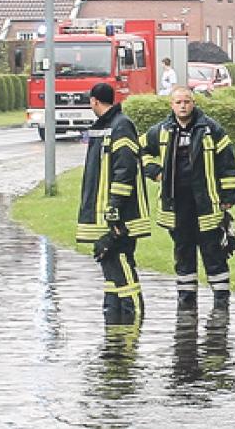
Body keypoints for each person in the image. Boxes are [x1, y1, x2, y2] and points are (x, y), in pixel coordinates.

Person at [140, 86, 235, 309]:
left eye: (187, 101)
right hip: (177, 204)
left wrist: (229, 196)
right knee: (183, 250)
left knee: (213, 250)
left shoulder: (211, 129)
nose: (183, 105)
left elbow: (227, 163)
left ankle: (221, 299)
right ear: (171, 105)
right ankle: (186, 300)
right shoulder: (162, 130)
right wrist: (154, 171)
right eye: (178, 102)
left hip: (206, 202)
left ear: (193, 103)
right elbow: (139, 149)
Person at [77, 83, 151, 325]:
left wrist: (115, 209)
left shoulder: (120, 126)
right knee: (109, 264)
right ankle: (115, 320)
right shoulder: (107, 127)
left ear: (94, 101)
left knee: (120, 260)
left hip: (120, 214)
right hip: (107, 213)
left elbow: (125, 170)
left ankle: (133, 320)